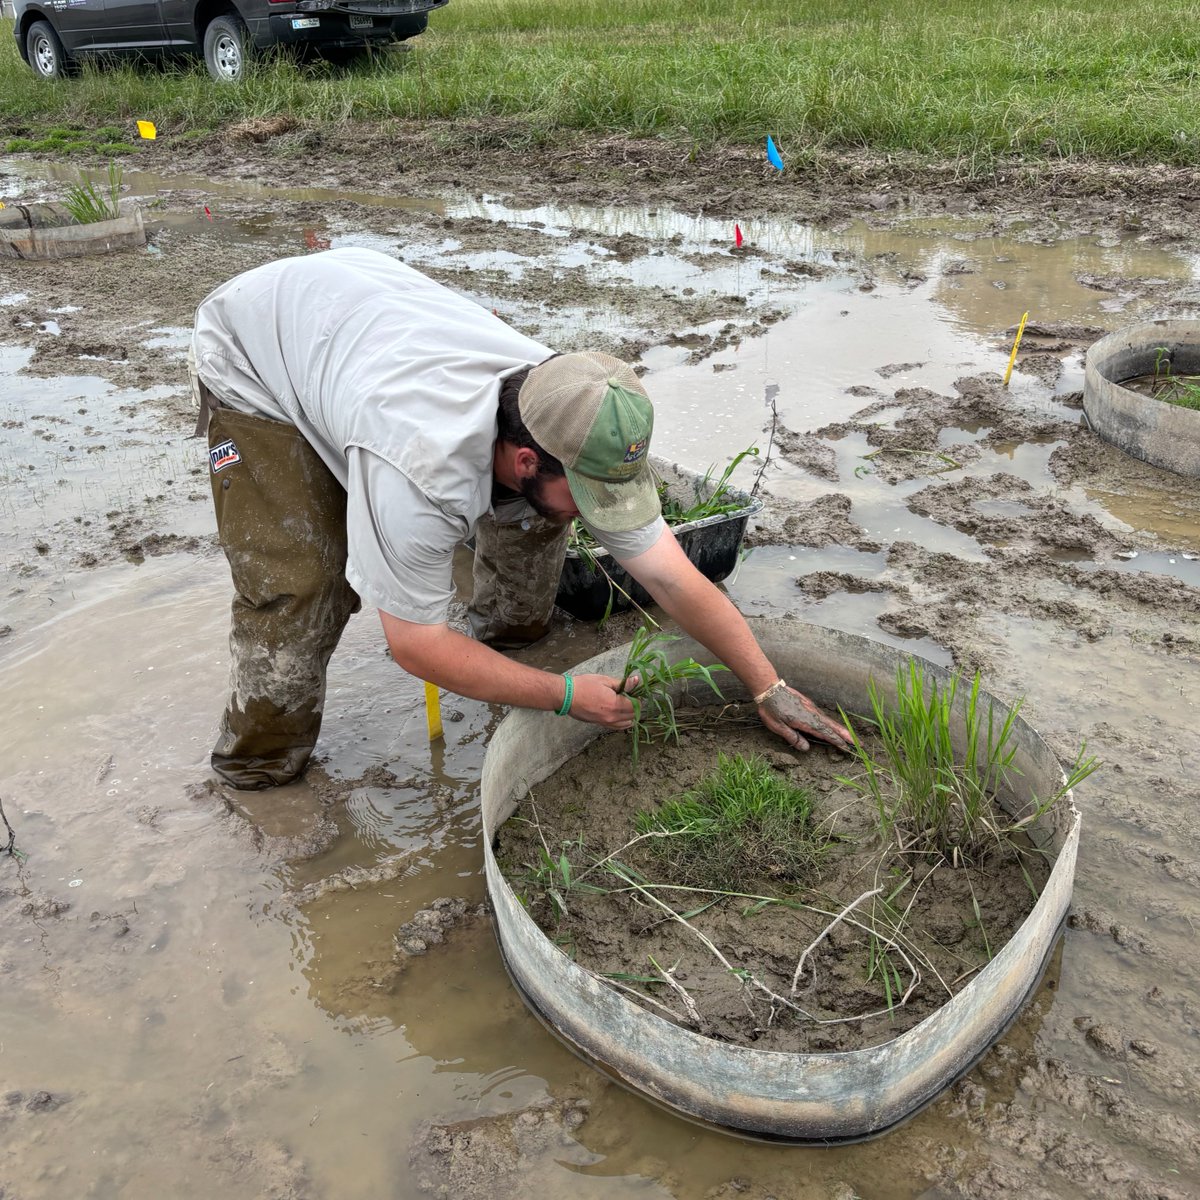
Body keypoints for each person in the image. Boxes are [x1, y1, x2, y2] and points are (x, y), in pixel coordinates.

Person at [189, 247, 851, 790]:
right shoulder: (421, 468)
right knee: (303, 588)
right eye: (587, 494)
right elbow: (412, 645)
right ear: (528, 458)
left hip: (362, 315)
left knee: (539, 521)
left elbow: (675, 579)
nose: (602, 517)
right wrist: (566, 695)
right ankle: (258, 767)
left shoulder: (570, 406)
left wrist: (768, 686)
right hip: (261, 355)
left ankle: (500, 644)